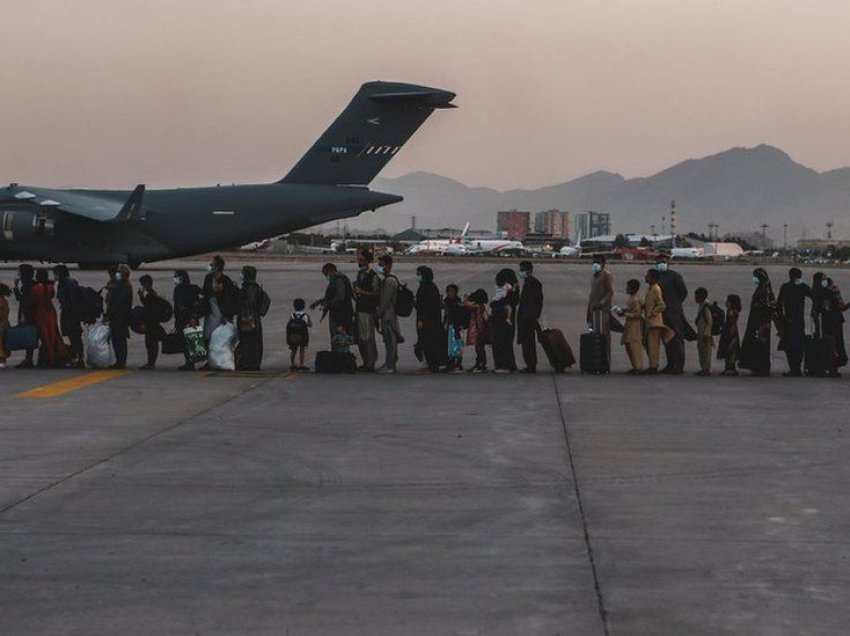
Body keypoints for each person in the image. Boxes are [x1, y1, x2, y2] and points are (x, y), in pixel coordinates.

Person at [654, 254, 688, 374]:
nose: (661, 264)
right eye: (658, 262)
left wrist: (675, 304)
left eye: (663, 261)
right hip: (662, 312)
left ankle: (679, 366)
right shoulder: (657, 277)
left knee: (677, 338)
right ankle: (670, 364)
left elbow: (683, 292)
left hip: (674, 312)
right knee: (667, 339)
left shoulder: (675, 276)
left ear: (668, 262)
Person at [740, 268, 776, 376]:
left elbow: (767, 306)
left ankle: (761, 367)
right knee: (757, 343)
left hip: (761, 323)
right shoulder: (762, 288)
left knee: (761, 344)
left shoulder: (765, 290)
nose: (754, 279)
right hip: (757, 322)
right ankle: (757, 366)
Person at [776, 268, 812, 377]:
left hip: (789, 320)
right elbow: (814, 296)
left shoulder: (785, 287)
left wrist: (781, 318)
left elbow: (779, 304)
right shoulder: (802, 287)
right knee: (798, 345)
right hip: (798, 320)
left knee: (790, 346)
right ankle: (796, 368)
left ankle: (794, 368)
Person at [812, 272, 849, 376]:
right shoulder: (827, 291)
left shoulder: (823, 291)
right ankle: (832, 366)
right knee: (832, 344)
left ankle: (833, 366)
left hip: (831, 322)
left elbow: (841, 306)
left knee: (832, 344)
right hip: (830, 321)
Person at [32, 268, 68, 367]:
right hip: (50, 313)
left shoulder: (36, 289)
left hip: (41, 314)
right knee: (52, 334)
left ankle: (48, 358)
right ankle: (54, 357)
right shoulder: (50, 287)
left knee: (45, 336)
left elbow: (34, 301)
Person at [311, 263, 354, 343]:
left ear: (331, 271)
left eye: (326, 274)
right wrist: (320, 301)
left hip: (341, 315)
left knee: (339, 339)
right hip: (339, 313)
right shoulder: (337, 279)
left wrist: (328, 303)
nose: (327, 277)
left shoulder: (339, 280)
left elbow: (340, 297)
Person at [353, 248, 380, 372]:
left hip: (368, 310)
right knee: (361, 337)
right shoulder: (360, 273)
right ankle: (366, 362)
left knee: (368, 337)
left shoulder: (372, 275)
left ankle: (370, 363)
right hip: (360, 308)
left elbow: (376, 293)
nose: (359, 259)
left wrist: (361, 292)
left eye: (361, 257)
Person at [415, 265, 445, 373]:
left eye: (419, 274)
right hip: (430, 320)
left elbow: (428, 306)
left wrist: (422, 320)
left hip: (429, 321)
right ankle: (429, 363)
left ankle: (431, 365)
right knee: (426, 342)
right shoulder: (428, 286)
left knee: (428, 342)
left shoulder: (428, 288)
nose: (418, 277)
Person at [643, 269, 674, 375]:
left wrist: (652, 313)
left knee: (653, 345)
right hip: (650, 321)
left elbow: (662, 305)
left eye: (647, 275)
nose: (645, 277)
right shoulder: (650, 289)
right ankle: (652, 364)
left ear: (652, 277)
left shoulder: (656, 289)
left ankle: (653, 366)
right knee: (649, 345)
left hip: (654, 322)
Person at [375, 254, 402, 374]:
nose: (380, 267)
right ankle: (389, 363)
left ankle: (390, 364)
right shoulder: (387, 279)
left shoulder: (389, 281)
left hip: (388, 315)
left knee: (390, 340)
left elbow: (385, 301)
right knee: (389, 340)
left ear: (389, 265)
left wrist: (378, 313)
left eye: (382, 265)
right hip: (389, 313)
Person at [54, 264, 84, 368]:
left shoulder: (64, 282)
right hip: (74, 312)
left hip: (70, 312)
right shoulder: (72, 281)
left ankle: (77, 358)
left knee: (73, 336)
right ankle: (78, 357)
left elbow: (65, 298)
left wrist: (67, 310)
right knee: (75, 337)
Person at [202, 255, 239, 341]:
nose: (210, 266)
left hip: (221, 314)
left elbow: (230, 299)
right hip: (210, 313)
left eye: (212, 265)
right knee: (208, 336)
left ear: (217, 267)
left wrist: (228, 316)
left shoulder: (226, 281)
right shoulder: (208, 278)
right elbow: (205, 293)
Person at [517, 260, 544, 374]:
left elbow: (536, 301)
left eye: (522, 270)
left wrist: (533, 315)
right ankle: (530, 364)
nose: (520, 272)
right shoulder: (529, 282)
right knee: (527, 341)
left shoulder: (532, 283)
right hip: (527, 316)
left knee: (528, 342)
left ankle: (531, 365)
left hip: (528, 317)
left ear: (529, 271)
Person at [490, 268, 519, 374]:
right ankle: (510, 365)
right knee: (507, 344)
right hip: (508, 321)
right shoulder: (513, 292)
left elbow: (496, 304)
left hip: (501, 320)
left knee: (499, 343)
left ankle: (502, 365)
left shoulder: (505, 293)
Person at [173, 269, 202, 371]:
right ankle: (190, 361)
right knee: (189, 341)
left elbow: (181, 305)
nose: (174, 278)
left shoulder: (180, 289)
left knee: (187, 342)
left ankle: (190, 362)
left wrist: (191, 317)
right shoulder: (192, 288)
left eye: (176, 276)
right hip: (188, 318)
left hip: (185, 318)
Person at [236, 266, 264, 371]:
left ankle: (249, 362)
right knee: (252, 341)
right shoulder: (254, 287)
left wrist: (245, 317)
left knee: (248, 340)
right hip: (254, 318)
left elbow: (247, 303)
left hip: (248, 319)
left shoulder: (249, 288)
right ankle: (251, 362)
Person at [586, 255, 613, 362]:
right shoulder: (594, 276)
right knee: (595, 336)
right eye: (594, 262)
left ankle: (605, 361)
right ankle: (596, 360)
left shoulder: (606, 276)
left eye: (598, 262)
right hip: (593, 311)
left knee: (604, 337)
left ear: (603, 264)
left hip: (602, 312)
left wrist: (602, 303)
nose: (595, 264)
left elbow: (610, 292)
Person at [105, 264, 133, 369]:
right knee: (117, 340)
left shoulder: (125, 287)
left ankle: (121, 362)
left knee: (119, 339)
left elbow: (117, 303)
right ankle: (120, 361)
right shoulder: (121, 285)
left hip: (119, 317)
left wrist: (109, 314)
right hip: (118, 317)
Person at [616, 279, 644, 374]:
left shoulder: (635, 299)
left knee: (634, 346)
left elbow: (637, 314)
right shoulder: (632, 298)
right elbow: (630, 309)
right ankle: (635, 366)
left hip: (634, 325)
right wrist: (623, 311)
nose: (626, 289)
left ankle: (638, 367)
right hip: (630, 324)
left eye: (628, 287)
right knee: (629, 345)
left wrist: (625, 314)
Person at [137, 275, 165, 370]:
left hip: (151, 323)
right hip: (153, 323)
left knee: (151, 344)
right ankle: (151, 362)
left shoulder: (151, 295)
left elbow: (148, 310)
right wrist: (141, 298)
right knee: (151, 344)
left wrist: (144, 323)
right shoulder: (151, 294)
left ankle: (151, 363)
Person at [13, 264, 36, 368]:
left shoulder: (26, 285)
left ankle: (29, 359)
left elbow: (22, 300)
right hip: (32, 312)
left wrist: (15, 287)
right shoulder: (32, 283)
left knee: (28, 334)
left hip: (27, 312)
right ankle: (29, 358)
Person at [464, 289, 489, 373]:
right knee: (478, 347)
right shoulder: (480, 306)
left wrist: (466, 298)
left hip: (478, 328)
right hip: (478, 328)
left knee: (479, 347)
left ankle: (481, 364)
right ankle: (479, 363)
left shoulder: (478, 306)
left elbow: (467, 305)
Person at [717, 294, 742, 376]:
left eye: (728, 301)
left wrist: (730, 334)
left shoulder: (731, 312)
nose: (726, 302)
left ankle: (730, 368)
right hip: (731, 333)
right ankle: (730, 367)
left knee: (730, 350)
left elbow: (732, 324)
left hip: (730, 334)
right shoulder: (732, 311)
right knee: (730, 351)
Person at [443, 283, 465, 373]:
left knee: (457, 345)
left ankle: (458, 364)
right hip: (449, 326)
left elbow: (457, 315)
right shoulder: (447, 302)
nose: (449, 293)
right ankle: (450, 363)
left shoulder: (457, 303)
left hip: (456, 326)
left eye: (451, 291)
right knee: (450, 346)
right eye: (448, 291)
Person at [694, 287, 714, 376]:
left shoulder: (706, 306)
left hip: (705, 334)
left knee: (706, 351)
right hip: (701, 332)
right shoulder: (702, 305)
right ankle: (704, 368)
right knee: (701, 350)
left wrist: (707, 334)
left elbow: (709, 321)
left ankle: (706, 369)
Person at [288, 298, 312, 372]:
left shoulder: (292, 315)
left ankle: (292, 364)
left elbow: (289, 324)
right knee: (302, 349)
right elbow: (310, 324)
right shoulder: (305, 315)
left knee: (294, 350)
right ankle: (301, 364)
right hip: (303, 336)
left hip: (293, 335)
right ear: (304, 306)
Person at [0, 283, 10, 369]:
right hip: (5, 323)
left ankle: (2, 359)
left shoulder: (1, 302)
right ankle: (3, 359)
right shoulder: (4, 300)